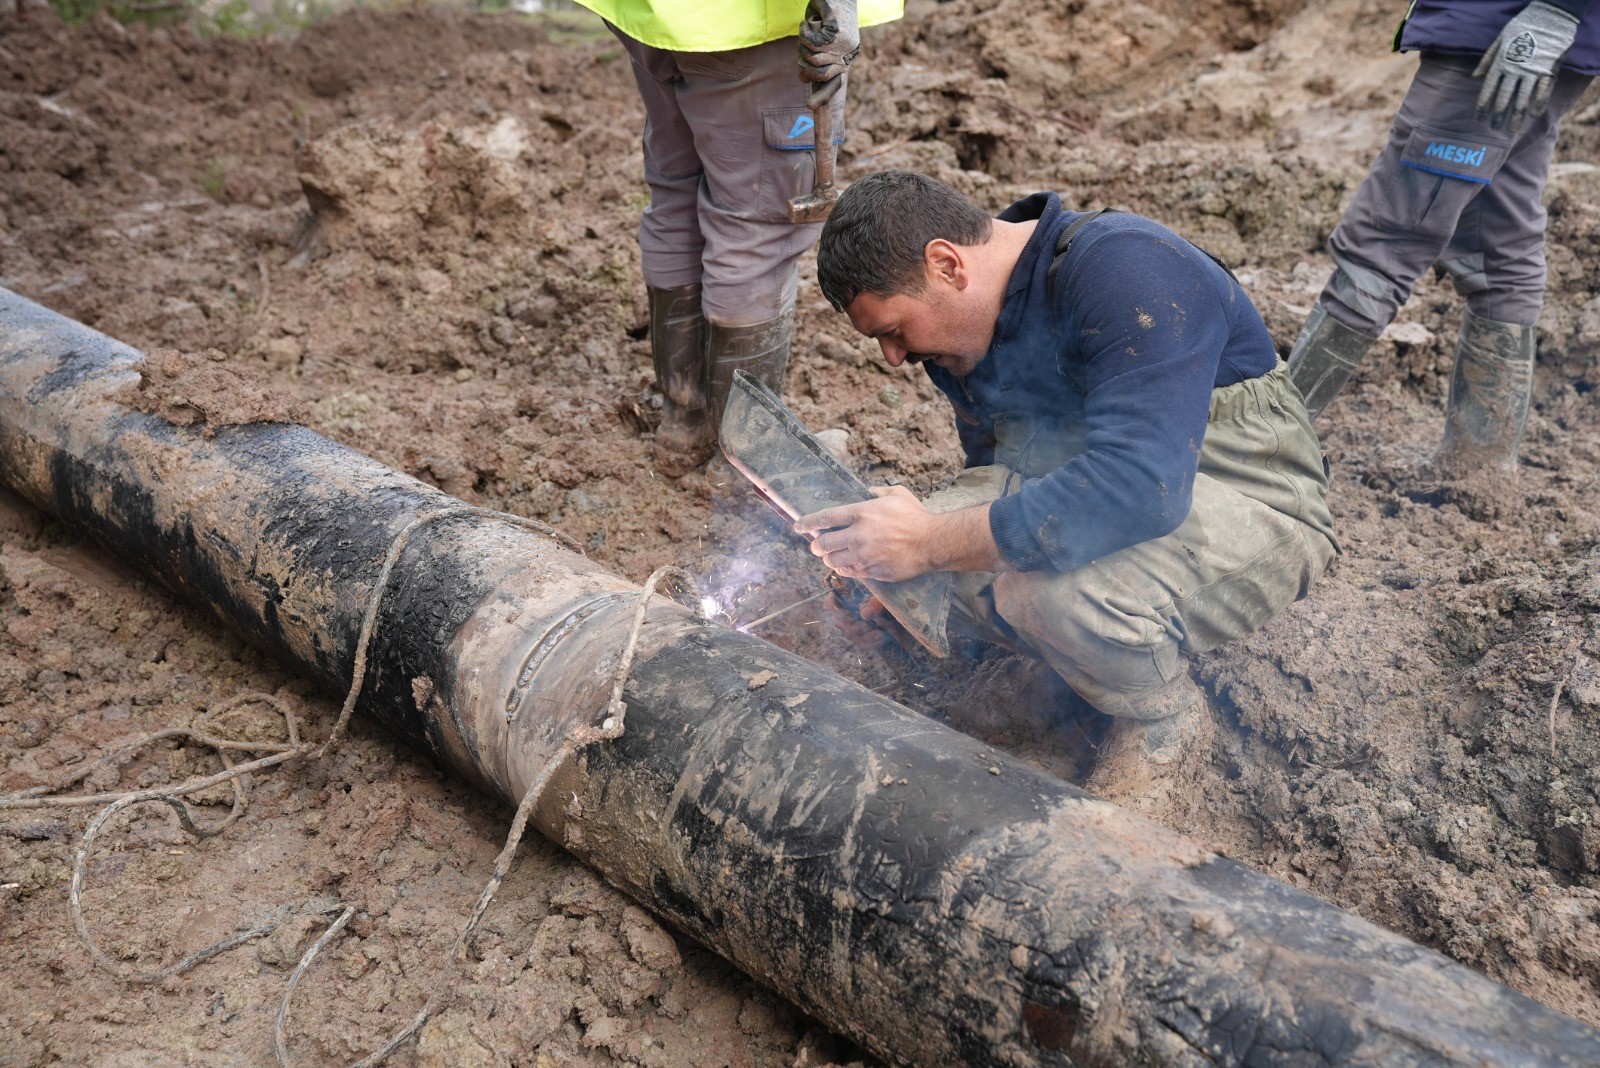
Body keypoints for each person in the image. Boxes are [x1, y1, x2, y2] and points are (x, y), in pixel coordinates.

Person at [800, 170, 1340, 772]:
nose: (895, 358)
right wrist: (912, 595)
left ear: (946, 265)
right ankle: (1070, 666)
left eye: (895, 331)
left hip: (1248, 500)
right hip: (1104, 493)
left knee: (1044, 591)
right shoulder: (959, 339)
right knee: (906, 546)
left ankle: (1161, 719)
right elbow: (998, 485)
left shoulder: (1126, 268)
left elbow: (1143, 488)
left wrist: (929, 546)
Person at [572, 0, 904, 475]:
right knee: (758, 226)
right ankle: (744, 463)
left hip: (651, 16)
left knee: (677, 190)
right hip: (750, 25)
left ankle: (683, 421)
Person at [1288, 0, 1597, 480]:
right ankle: (1478, 475)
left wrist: (1556, 10)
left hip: (1505, 34)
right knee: (1496, 241)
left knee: (1384, 242)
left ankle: (1259, 452)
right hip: (1517, 34)